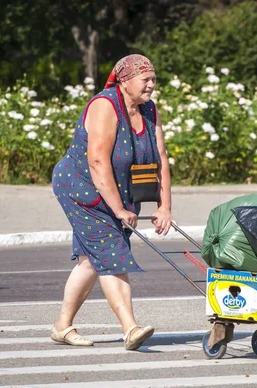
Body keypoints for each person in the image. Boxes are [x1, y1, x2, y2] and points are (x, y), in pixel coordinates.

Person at [50, 54, 173, 351]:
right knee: (111, 252)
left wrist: (164, 205)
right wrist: (118, 208)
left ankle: (62, 326)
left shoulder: (149, 111)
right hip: (82, 188)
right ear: (125, 81)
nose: (152, 85)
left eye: (153, 79)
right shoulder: (105, 105)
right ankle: (130, 328)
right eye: (146, 79)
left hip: (120, 190)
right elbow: (96, 160)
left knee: (91, 261)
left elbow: (161, 159)